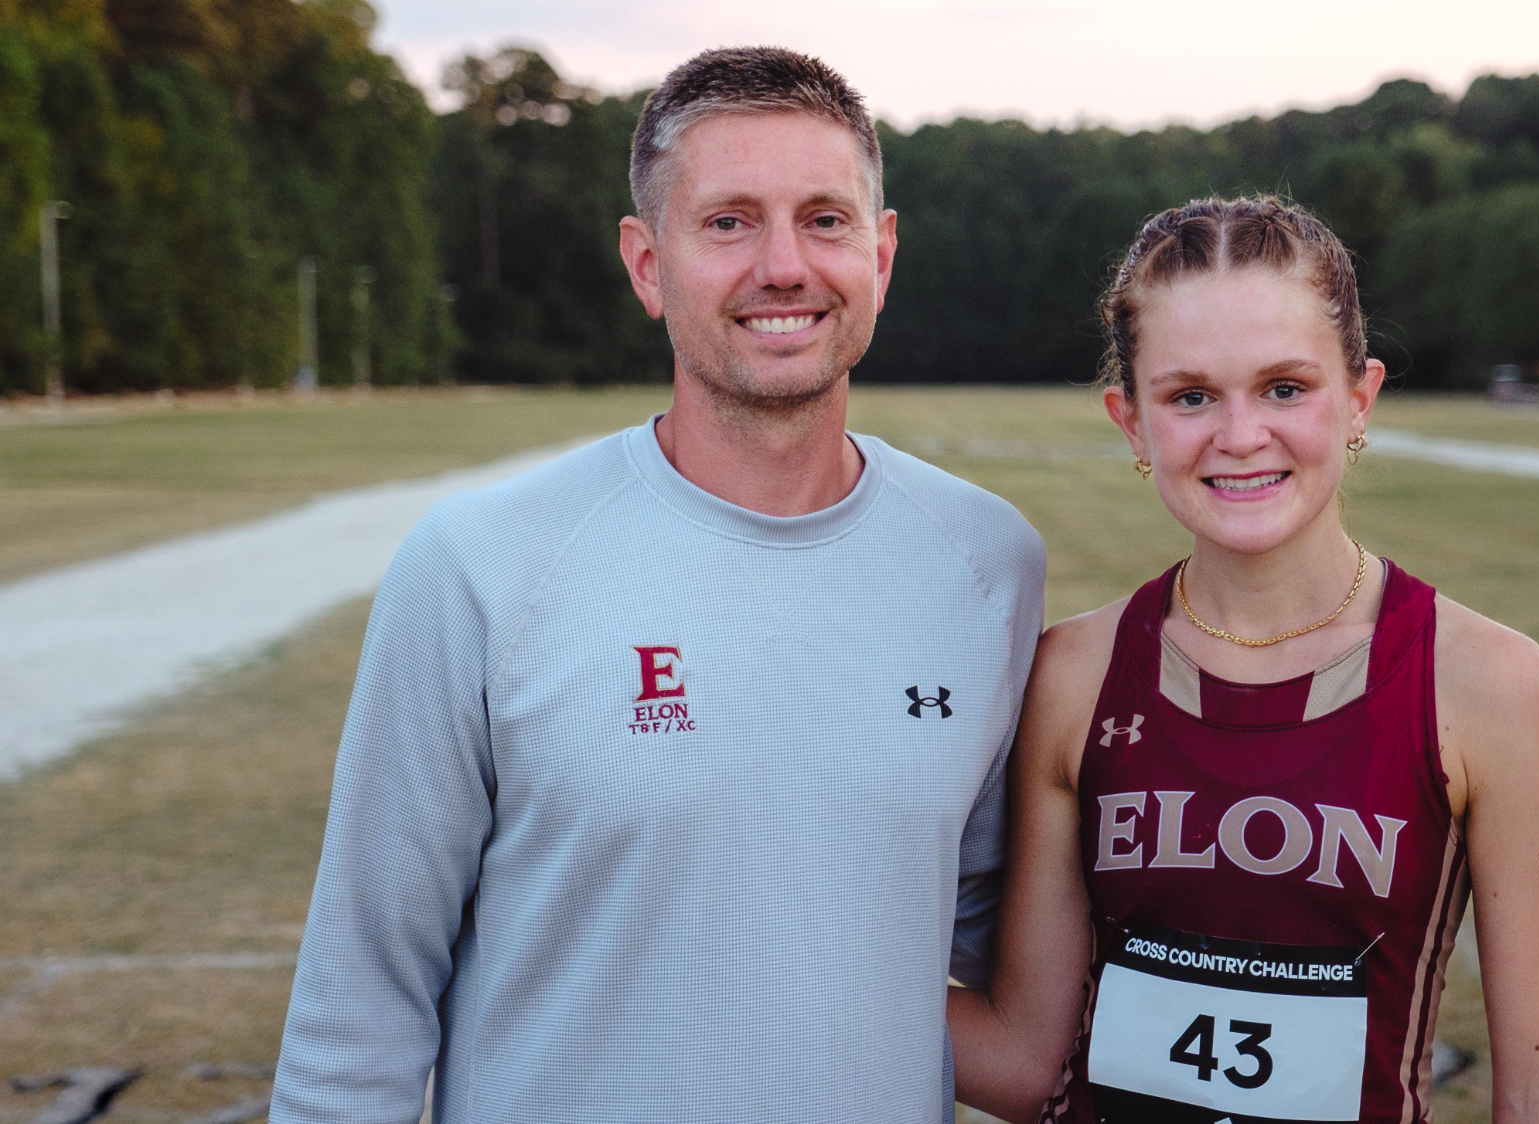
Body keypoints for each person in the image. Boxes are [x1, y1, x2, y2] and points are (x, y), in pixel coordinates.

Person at [271, 47, 1045, 1124]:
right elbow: (360, 1003)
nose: (783, 265)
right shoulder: (482, 562)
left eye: (823, 219)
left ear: (881, 253)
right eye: (728, 222)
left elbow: (996, 936)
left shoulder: (986, 560)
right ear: (646, 263)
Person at [948, 197, 1539, 1124]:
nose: (1240, 436)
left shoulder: (1487, 686)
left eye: (1285, 388)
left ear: (1359, 399)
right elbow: (1025, 1059)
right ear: (1131, 422)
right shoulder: (1075, 673)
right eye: (1191, 396)